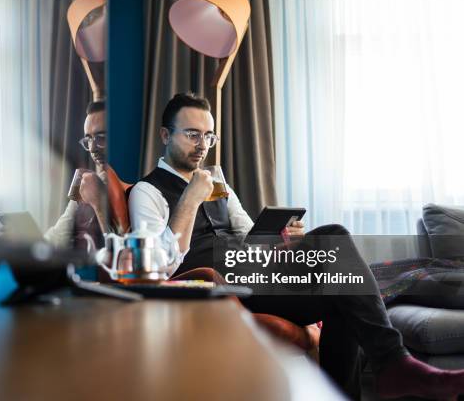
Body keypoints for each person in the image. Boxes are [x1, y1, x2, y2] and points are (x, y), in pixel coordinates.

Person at [128, 92, 464, 400]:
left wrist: (279, 236)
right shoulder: (146, 192)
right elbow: (159, 264)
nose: (202, 145)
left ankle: (363, 384)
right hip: (212, 284)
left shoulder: (217, 182)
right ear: (165, 136)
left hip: (254, 272)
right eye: (192, 134)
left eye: (208, 136)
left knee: (337, 269)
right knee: (336, 256)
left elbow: (248, 234)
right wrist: (189, 199)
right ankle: (395, 364)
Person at [44, 100, 128, 250]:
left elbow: (124, 257)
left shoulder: (140, 185)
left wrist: (98, 204)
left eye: (101, 137)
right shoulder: (85, 181)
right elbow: (58, 235)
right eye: (88, 139)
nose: (92, 148)